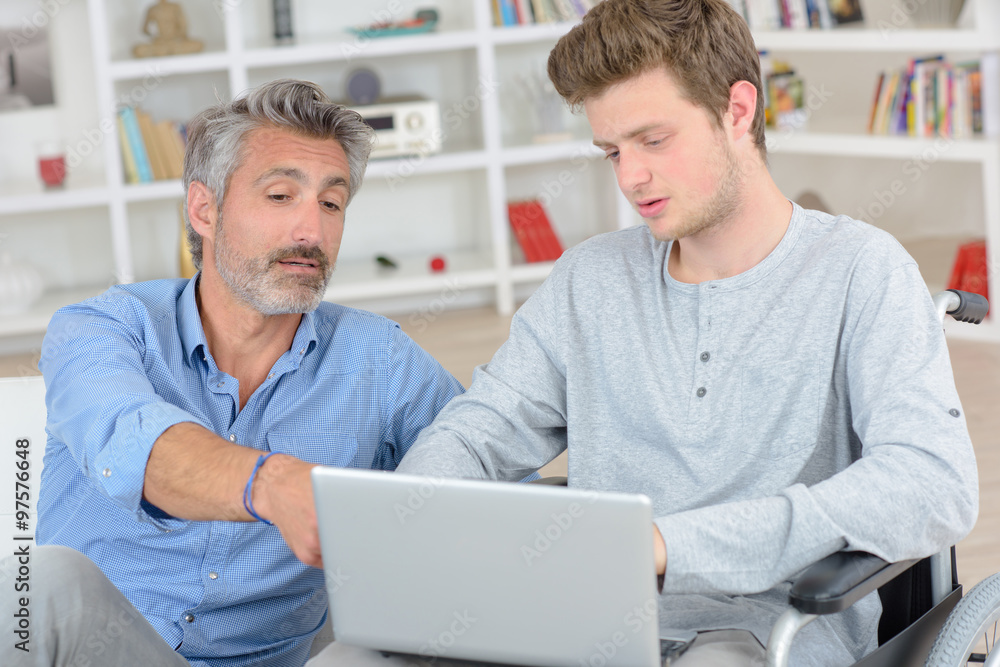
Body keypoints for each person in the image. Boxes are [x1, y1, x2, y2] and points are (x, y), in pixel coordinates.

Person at [392, 1, 979, 666]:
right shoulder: (589, 279)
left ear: (737, 110)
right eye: (612, 150)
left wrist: (671, 546)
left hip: (763, 630)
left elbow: (934, 483)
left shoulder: (862, 271)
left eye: (653, 140)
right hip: (579, 622)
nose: (629, 177)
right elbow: (477, 431)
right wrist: (414, 525)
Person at [1, 79, 464, 667]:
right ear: (204, 209)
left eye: (330, 203)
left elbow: (494, 493)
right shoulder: (101, 330)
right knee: (43, 584)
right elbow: (137, 445)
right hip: (111, 652)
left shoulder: (379, 360)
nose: (311, 233)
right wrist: (272, 485)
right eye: (279, 196)